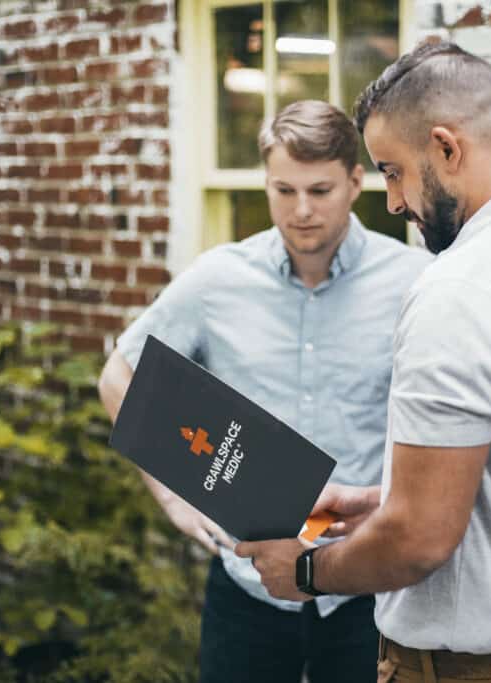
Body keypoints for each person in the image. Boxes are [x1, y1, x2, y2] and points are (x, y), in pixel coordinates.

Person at [238, 41, 491, 683]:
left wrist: (306, 572)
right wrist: (386, 500)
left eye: (393, 171)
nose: (393, 201)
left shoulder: (463, 288)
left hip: (482, 672)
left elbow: (420, 539)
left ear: (447, 149)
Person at [97, 100, 431, 683]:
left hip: (364, 591)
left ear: (357, 183)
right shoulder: (217, 279)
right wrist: (172, 493)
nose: (301, 211)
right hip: (246, 586)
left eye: (320, 190)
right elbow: (119, 377)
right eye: (284, 190)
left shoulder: (412, 283)